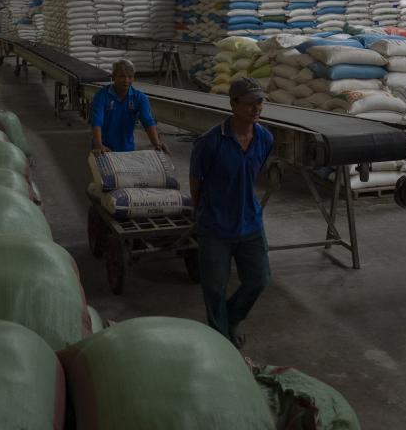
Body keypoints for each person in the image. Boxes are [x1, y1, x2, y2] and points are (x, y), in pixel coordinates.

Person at [189, 77, 274, 348]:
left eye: (260, 102)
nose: (256, 108)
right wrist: (205, 212)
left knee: (259, 279)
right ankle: (219, 339)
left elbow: (252, 175)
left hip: (250, 223)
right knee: (214, 288)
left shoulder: (264, 137)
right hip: (215, 226)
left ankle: (232, 318)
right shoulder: (210, 142)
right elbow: (196, 182)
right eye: (249, 103)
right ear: (233, 104)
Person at [91, 59, 168, 153]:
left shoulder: (139, 98)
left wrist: (157, 144)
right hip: (103, 149)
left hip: (127, 149)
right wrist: (99, 145)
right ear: (113, 77)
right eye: (122, 76)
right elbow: (97, 122)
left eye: (130, 77)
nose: (126, 80)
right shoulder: (101, 96)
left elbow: (148, 121)